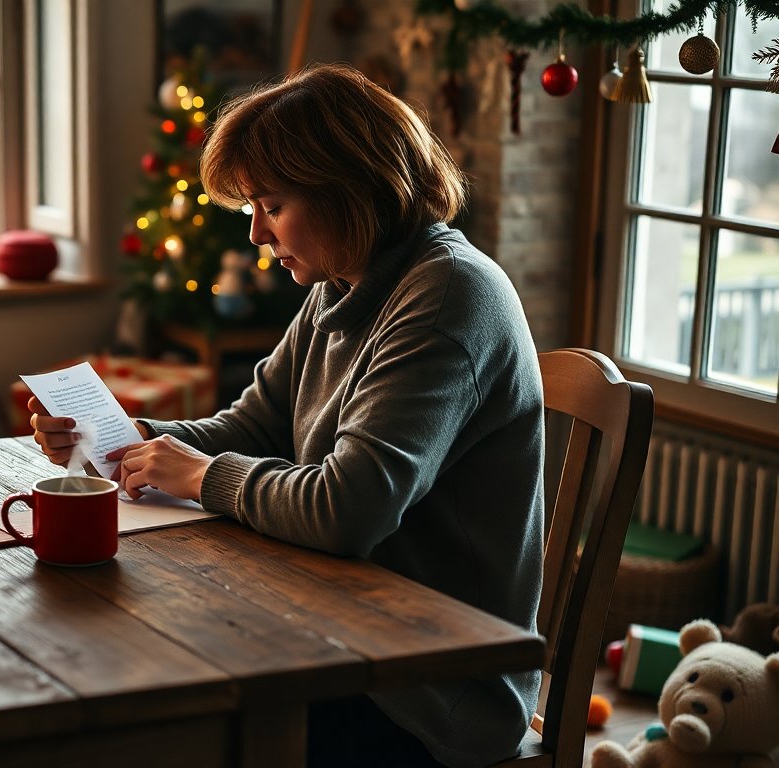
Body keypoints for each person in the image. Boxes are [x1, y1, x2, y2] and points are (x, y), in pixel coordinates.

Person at [29, 62, 543, 767]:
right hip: (336, 628)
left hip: (428, 692)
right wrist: (133, 440)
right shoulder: (344, 283)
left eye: (270, 204)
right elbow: (253, 427)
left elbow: (348, 508)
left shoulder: (449, 297)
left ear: (347, 190)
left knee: (151, 717)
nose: (257, 235)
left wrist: (203, 477)